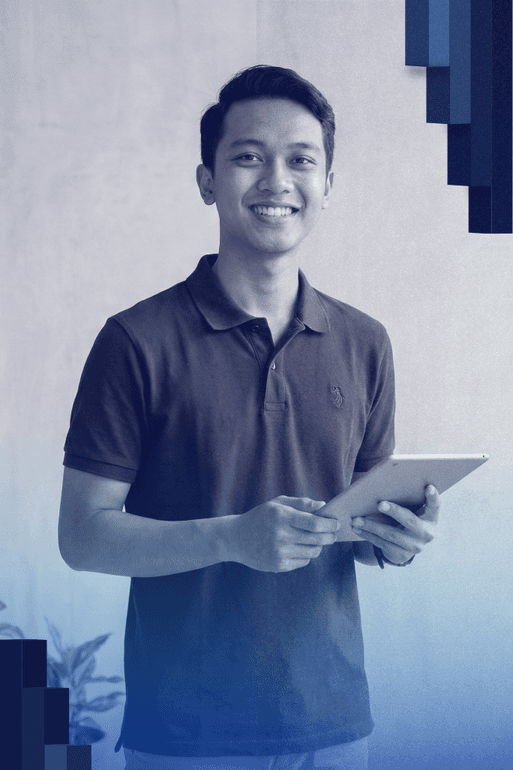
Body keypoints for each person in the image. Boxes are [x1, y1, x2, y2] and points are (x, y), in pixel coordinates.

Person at [58, 65, 439, 770]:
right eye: (247, 157)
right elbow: (82, 538)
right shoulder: (135, 341)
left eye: (301, 159)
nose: (276, 180)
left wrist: (396, 539)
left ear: (328, 182)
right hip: (187, 733)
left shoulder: (364, 342)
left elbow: (353, 525)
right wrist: (233, 537)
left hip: (333, 724)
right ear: (207, 180)